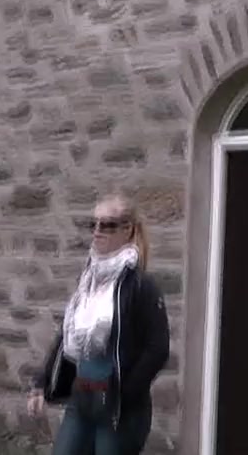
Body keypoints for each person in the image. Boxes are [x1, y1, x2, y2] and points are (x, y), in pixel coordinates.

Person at [27, 194, 170, 455]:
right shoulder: (89, 282)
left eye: (107, 225)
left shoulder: (140, 285)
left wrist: (125, 394)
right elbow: (67, 337)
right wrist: (42, 383)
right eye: (93, 224)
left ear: (127, 230)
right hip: (82, 397)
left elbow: (158, 348)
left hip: (117, 406)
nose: (97, 231)